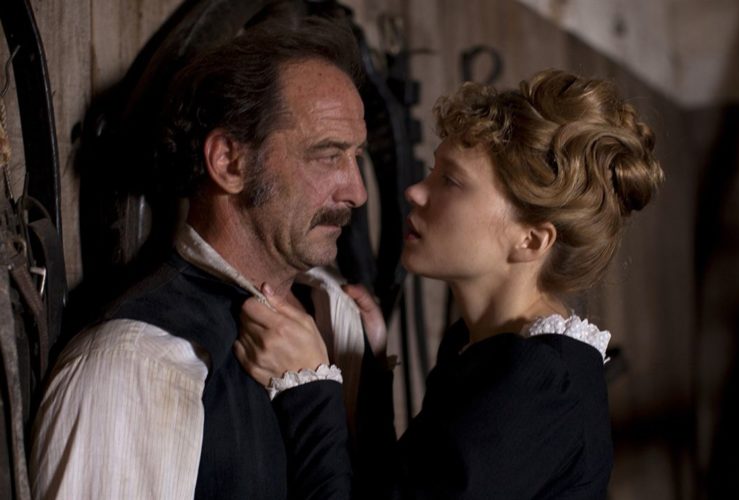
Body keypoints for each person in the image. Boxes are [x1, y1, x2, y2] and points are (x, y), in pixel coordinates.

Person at [235, 68, 665, 499]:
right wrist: (370, 376)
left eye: (451, 181)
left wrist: (305, 386)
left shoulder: (541, 382)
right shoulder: (482, 347)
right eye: (431, 171)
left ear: (530, 240)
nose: (415, 192)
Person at [30, 16, 384, 499]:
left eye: (356, 156)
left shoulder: (336, 314)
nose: (357, 192)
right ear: (229, 162)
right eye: (327, 155)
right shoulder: (133, 365)